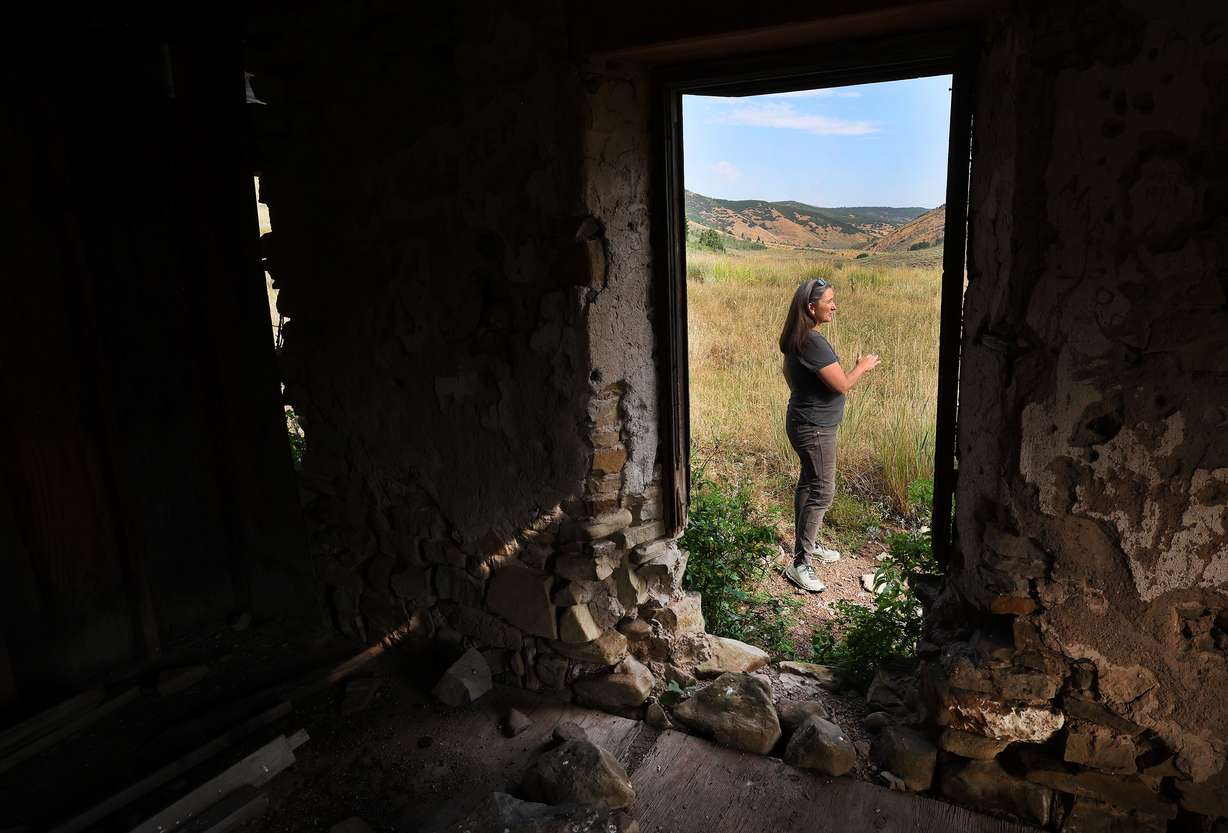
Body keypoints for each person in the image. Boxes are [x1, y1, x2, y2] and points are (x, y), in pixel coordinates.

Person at [778, 277, 880, 593]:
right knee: (822, 490)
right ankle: (801, 564)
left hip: (803, 421)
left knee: (809, 483)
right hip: (815, 429)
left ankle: (808, 545)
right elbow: (842, 385)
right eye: (829, 301)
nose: (834, 306)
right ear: (811, 306)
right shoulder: (813, 341)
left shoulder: (798, 337)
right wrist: (863, 366)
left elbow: (792, 376)